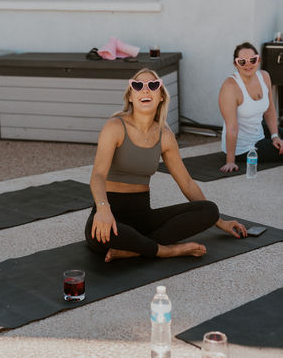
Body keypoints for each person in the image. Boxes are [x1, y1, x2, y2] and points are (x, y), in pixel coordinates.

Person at [85, 68, 247, 262]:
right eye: (138, 86)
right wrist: (103, 210)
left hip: (143, 217)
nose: (145, 90)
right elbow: (98, 175)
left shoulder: (165, 136)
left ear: (161, 96)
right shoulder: (115, 127)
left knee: (209, 210)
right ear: (130, 96)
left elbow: (187, 183)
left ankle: (137, 249)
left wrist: (219, 222)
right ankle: (167, 251)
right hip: (111, 213)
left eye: (153, 86)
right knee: (100, 236)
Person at [219, 42, 283, 173]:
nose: (248, 64)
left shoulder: (264, 76)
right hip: (244, 147)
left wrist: (275, 136)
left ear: (258, 60)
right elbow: (231, 127)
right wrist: (230, 161)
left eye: (252, 60)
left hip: (258, 130)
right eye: (242, 62)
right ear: (235, 64)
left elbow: (270, 110)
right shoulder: (230, 87)